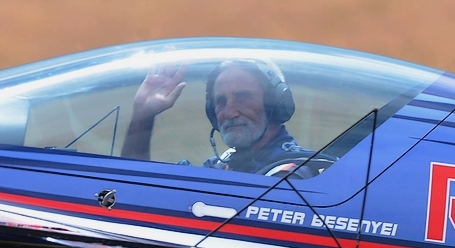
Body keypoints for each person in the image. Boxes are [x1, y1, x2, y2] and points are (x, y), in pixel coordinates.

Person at [121, 58, 325, 176]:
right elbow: (135, 191)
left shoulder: (296, 176)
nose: (229, 112)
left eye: (243, 97)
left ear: (278, 103)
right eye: (220, 101)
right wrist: (143, 116)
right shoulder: (221, 167)